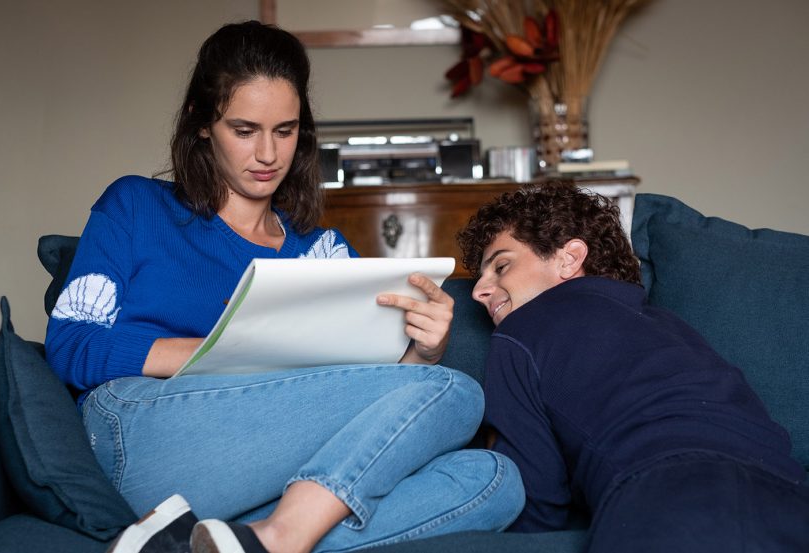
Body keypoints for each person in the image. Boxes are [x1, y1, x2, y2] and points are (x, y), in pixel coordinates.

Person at [45, 20, 524, 553]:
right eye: (244, 130)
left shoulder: (321, 251)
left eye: (286, 130)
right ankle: (282, 538)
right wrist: (224, 352)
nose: (268, 154)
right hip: (142, 431)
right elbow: (71, 346)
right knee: (455, 392)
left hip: (266, 463)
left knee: (495, 479)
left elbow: (366, 402)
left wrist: (423, 352)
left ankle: (231, 540)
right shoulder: (135, 205)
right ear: (201, 123)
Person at [456, 183, 809, 552]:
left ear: (568, 258)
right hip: (788, 487)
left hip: (671, 489)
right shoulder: (668, 325)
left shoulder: (521, 329)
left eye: (501, 266)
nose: (479, 290)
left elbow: (535, 504)